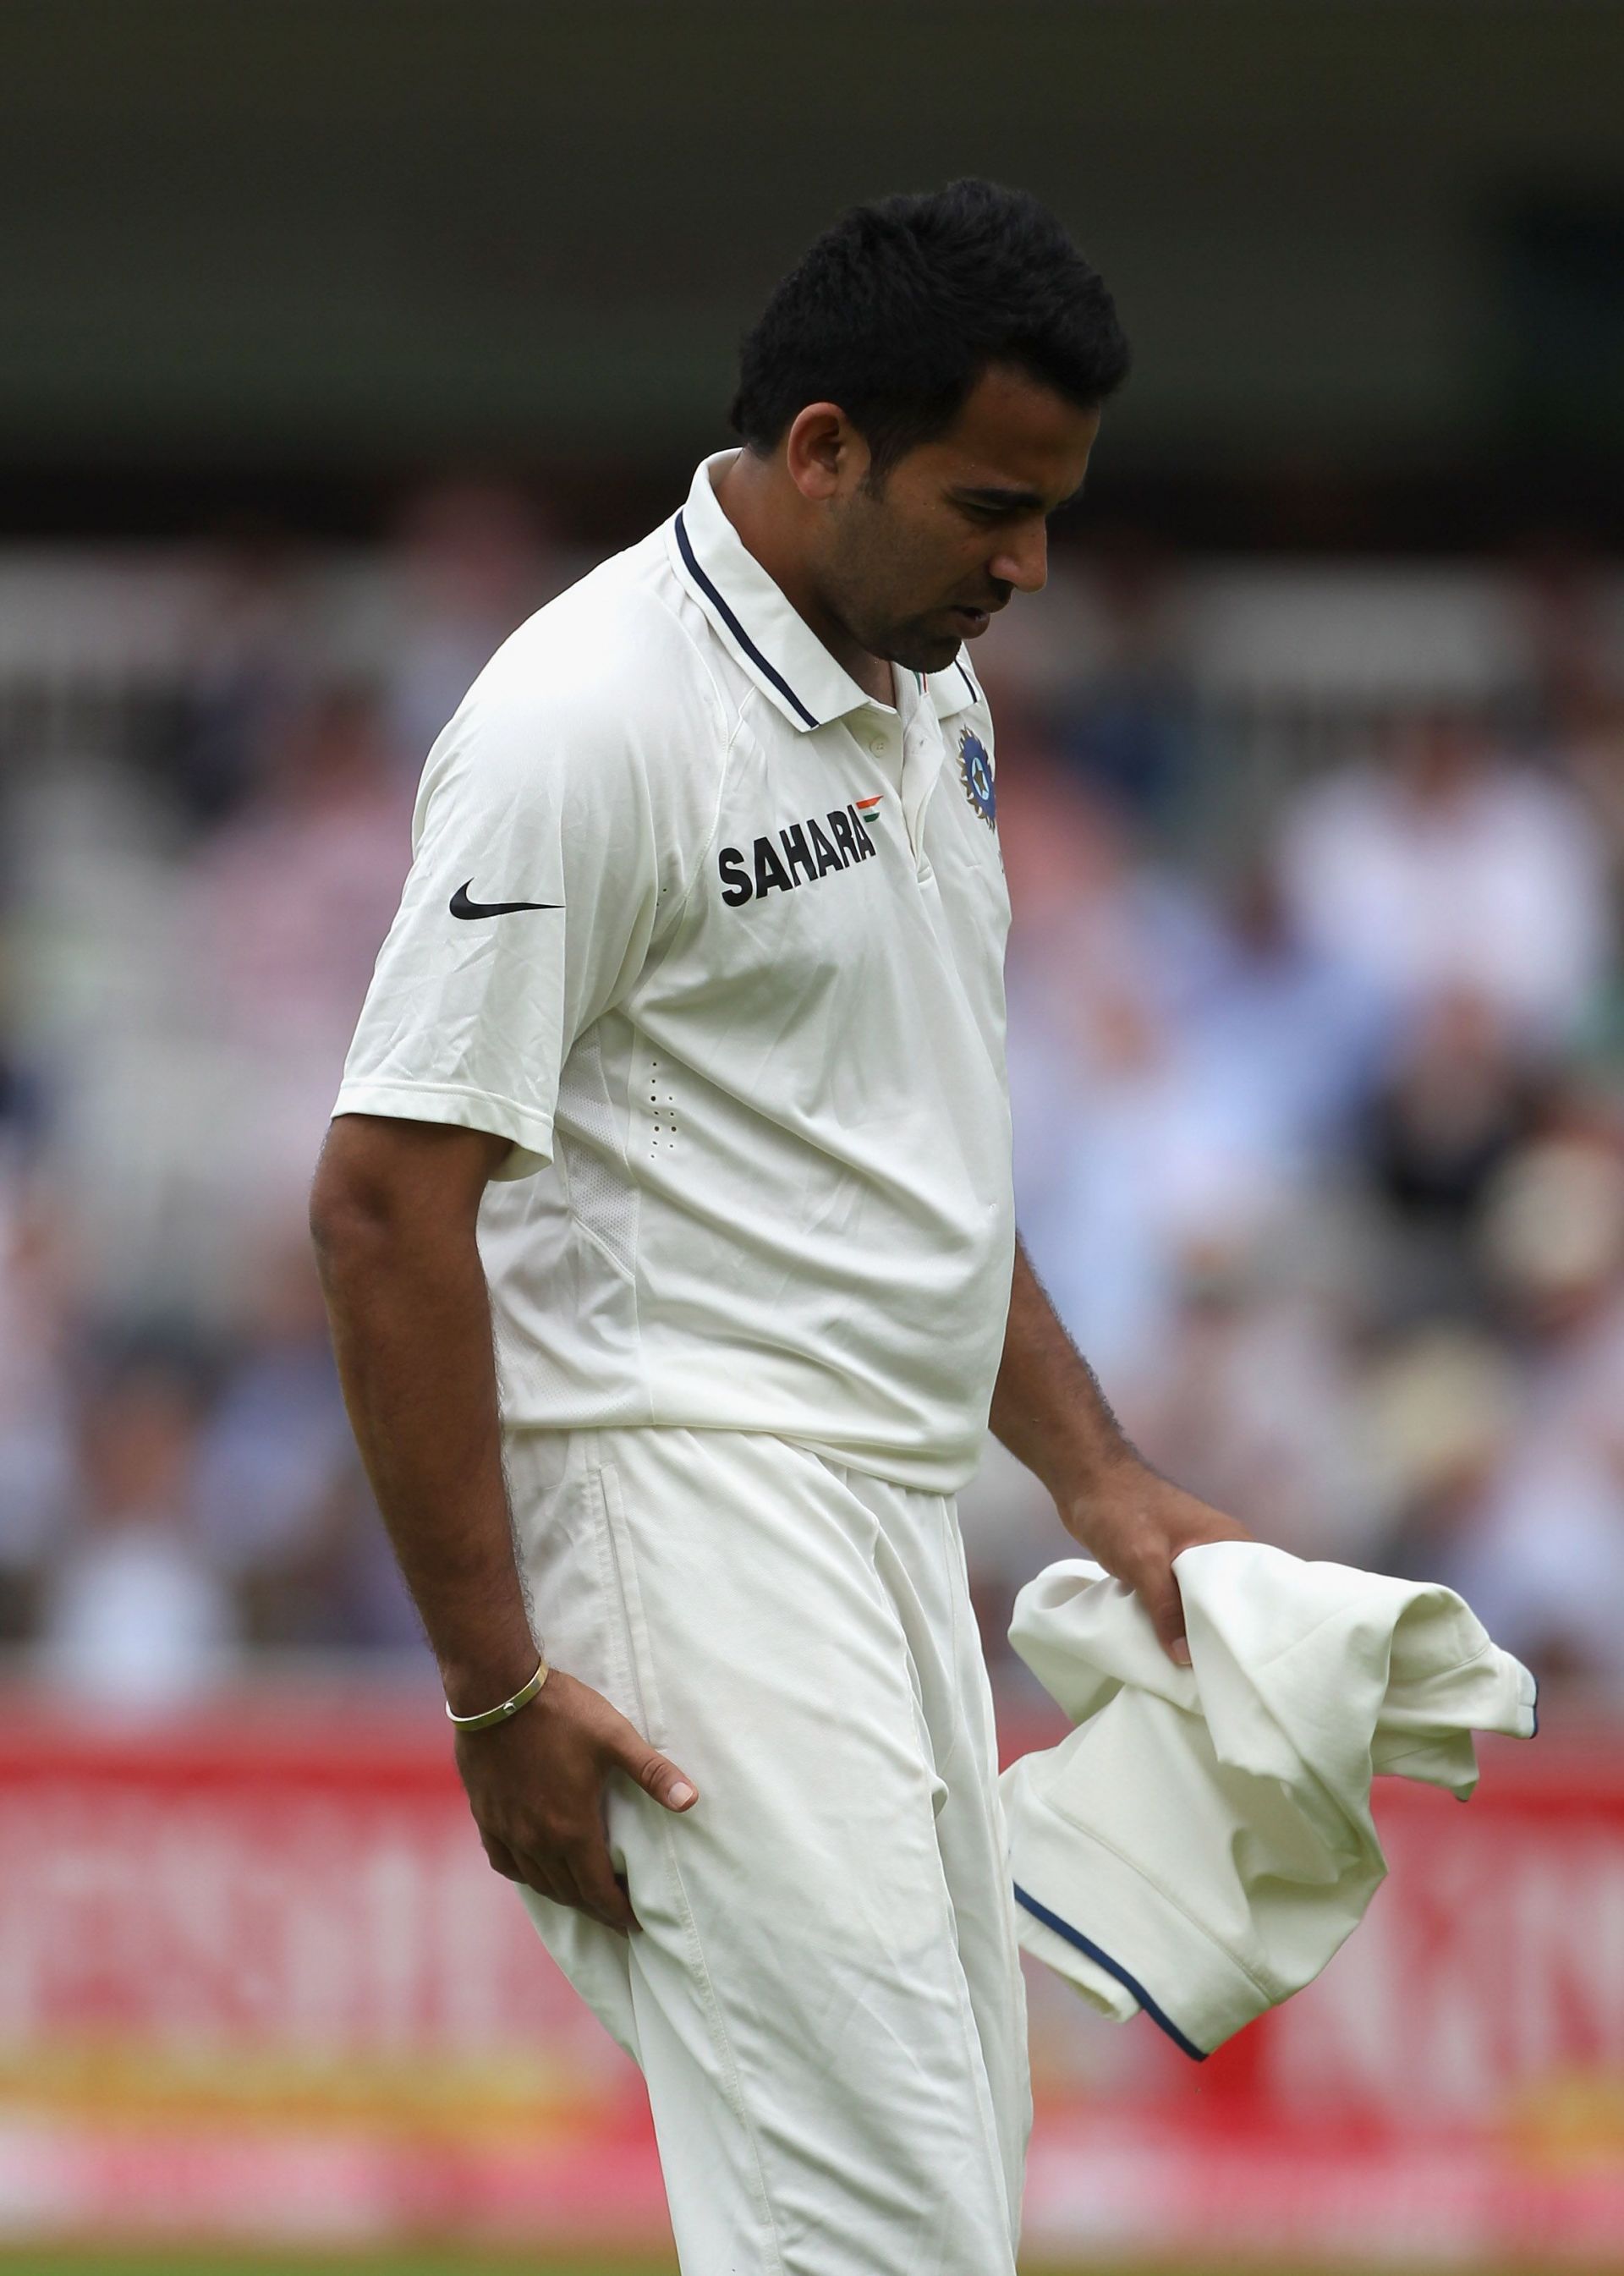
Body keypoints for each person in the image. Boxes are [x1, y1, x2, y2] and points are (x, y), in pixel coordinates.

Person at [310, 179, 1246, 2276]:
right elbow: (384, 1202)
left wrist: (1103, 1481)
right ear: (825, 448)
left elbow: (903, 1155)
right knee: (886, 2230)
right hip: (685, 1523)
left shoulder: (934, 693)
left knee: (927, 2203)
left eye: (1052, 513)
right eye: (991, 505)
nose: (1026, 564)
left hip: (885, 1524)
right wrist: (490, 1687)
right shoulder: (586, 720)